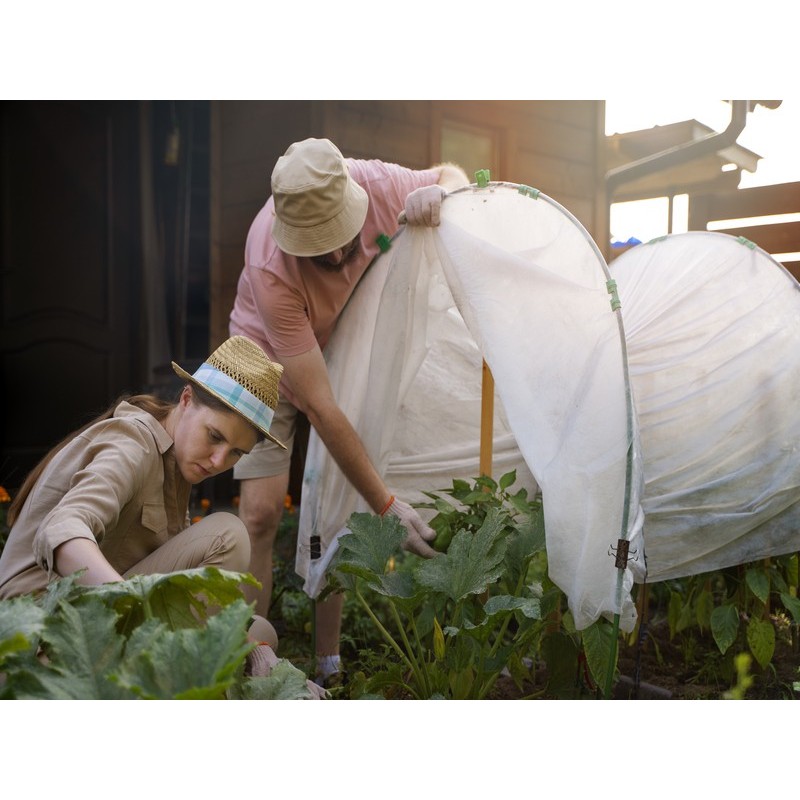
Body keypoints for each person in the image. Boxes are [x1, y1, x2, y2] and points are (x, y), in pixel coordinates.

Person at [229, 137, 469, 684]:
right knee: (260, 515)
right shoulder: (269, 265)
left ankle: (329, 663)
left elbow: (453, 175)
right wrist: (387, 505)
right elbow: (319, 405)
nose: (338, 259)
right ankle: (252, 656)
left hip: (343, 345)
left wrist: (442, 193)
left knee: (331, 500)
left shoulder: (375, 182)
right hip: (259, 355)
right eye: (320, 251)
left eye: (342, 240)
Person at [0, 335, 325, 698]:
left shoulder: (176, 463)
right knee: (228, 535)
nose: (219, 461)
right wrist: (134, 605)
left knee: (261, 633)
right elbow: (62, 529)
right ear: (186, 400)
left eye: (236, 453)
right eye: (214, 436)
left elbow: (186, 591)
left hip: (90, 622)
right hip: (37, 644)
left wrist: (268, 661)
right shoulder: (133, 443)